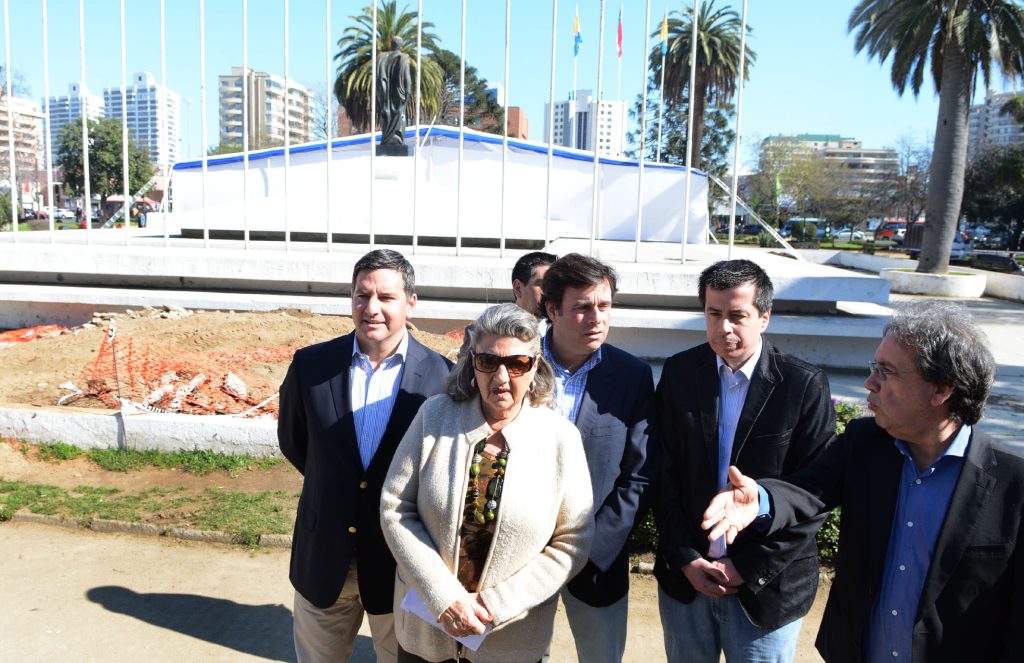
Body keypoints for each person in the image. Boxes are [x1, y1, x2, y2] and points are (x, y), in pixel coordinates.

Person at [702, 300, 1024, 663]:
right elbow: (809, 489)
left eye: (886, 372)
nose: (869, 382)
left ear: (941, 390)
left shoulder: (1014, 483)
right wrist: (760, 498)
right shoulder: (864, 442)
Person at [381, 303, 594, 663]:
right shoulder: (434, 416)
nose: (500, 378)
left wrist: (493, 605)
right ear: (471, 362)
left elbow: (572, 542)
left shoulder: (561, 439)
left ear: (535, 366)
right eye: (488, 362)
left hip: (511, 642)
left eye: (516, 364)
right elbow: (395, 509)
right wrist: (443, 596)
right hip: (426, 634)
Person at [654, 259, 836, 663]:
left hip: (766, 589)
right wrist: (685, 558)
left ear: (764, 317)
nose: (724, 328)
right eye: (713, 314)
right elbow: (662, 475)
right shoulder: (680, 372)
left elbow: (816, 493)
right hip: (687, 582)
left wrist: (747, 567)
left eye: (737, 316)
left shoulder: (802, 385)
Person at [278, 249, 452, 663]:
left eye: (386, 297)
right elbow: (296, 442)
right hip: (323, 561)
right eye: (361, 295)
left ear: (411, 302)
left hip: (399, 568)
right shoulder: (311, 365)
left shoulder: (443, 378)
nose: (371, 308)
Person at [540, 253, 657, 663]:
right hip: (514, 557)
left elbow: (639, 477)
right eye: (583, 308)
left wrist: (588, 547)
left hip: (596, 562)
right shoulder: (515, 363)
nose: (597, 318)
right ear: (552, 309)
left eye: (604, 306)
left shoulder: (632, 376)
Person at [511, 251, 557, 319]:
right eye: (543, 284)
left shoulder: (567, 327)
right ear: (518, 288)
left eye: (555, 285)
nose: (551, 291)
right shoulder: (496, 327)